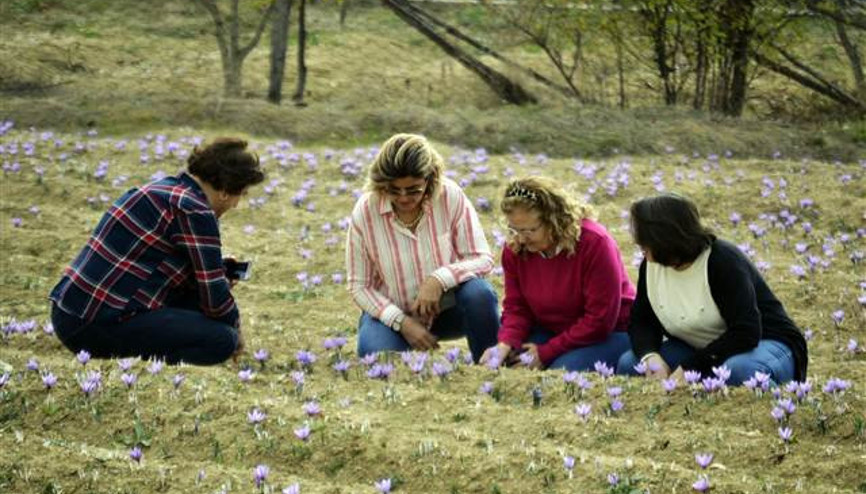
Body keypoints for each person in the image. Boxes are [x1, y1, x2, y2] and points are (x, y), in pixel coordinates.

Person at [49, 137, 265, 365]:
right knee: (221, 339)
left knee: (198, 306)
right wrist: (235, 328)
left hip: (69, 313)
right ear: (225, 192)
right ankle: (152, 367)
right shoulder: (195, 210)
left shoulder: (161, 189)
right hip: (94, 326)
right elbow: (215, 299)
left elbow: (153, 263)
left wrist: (215, 273)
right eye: (240, 194)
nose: (236, 204)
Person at [616, 193, 808, 385]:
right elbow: (642, 320)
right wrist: (650, 356)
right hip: (701, 348)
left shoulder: (721, 261)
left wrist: (692, 366)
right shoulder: (651, 265)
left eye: (644, 238)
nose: (638, 243)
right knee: (631, 365)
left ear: (665, 237)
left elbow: (746, 331)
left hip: (763, 341)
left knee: (740, 371)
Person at [346, 133, 499, 361]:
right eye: (394, 190)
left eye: (414, 189)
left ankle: (491, 365)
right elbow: (360, 286)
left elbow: (482, 257)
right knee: (378, 359)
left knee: (480, 294)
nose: (404, 198)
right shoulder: (366, 211)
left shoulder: (449, 196)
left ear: (430, 180)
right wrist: (402, 322)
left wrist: (438, 279)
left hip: (448, 308)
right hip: (392, 314)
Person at [480, 176, 635, 371]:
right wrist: (506, 342)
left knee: (559, 372)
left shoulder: (594, 243)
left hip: (610, 332)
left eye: (529, 230)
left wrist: (546, 353)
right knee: (512, 363)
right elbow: (517, 307)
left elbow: (599, 320)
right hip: (553, 330)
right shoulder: (516, 249)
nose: (520, 238)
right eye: (514, 229)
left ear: (554, 220)